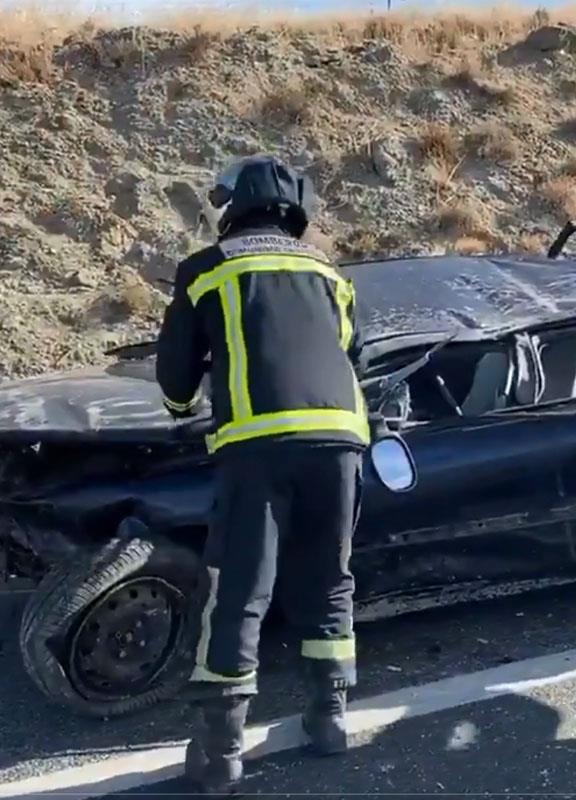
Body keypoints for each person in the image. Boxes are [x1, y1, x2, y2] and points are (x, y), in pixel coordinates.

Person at [155, 153, 370, 793]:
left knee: (240, 588)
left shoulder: (206, 271)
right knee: (330, 576)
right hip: (340, 442)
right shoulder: (332, 274)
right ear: (296, 213)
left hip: (259, 444)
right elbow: (352, 351)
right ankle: (329, 720)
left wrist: (179, 410)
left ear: (233, 209)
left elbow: (175, 373)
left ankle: (221, 756)